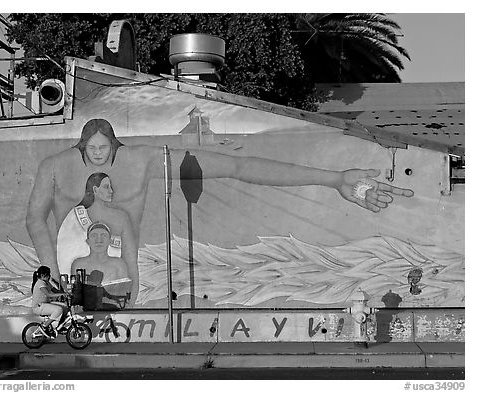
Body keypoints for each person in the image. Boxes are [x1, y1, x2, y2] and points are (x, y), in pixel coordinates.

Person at [27, 118, 414, 305]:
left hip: (122, 281)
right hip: (70, 274)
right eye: (90, 149)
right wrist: (51, 271)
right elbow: (34, 217)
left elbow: (236, 166)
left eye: (104, 148)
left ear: (115, 144)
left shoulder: (144, 159)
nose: (98, 155)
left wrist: (333, 178)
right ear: (80, 148)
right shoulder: (54, 166)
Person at [56, 172, 136, 303]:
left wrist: (130, 307)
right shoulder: (79, 264)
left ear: (109, 240)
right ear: (95, 189)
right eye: (106, 187)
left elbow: (127, 279)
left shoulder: (118, 264)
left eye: (103, 236)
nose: (111, 191)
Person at [31, 266, 68, 338]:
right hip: (38, 307)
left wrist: (65, 293)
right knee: (58, 309)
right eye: (48, 275)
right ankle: (44, 326)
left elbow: (54, 290)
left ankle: (60, 326)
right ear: (42, 275)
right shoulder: (40, 283)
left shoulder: (46, 282)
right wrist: (62, 294)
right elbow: (49, 294)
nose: (49, 276)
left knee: (64, 307)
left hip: (45, 304)